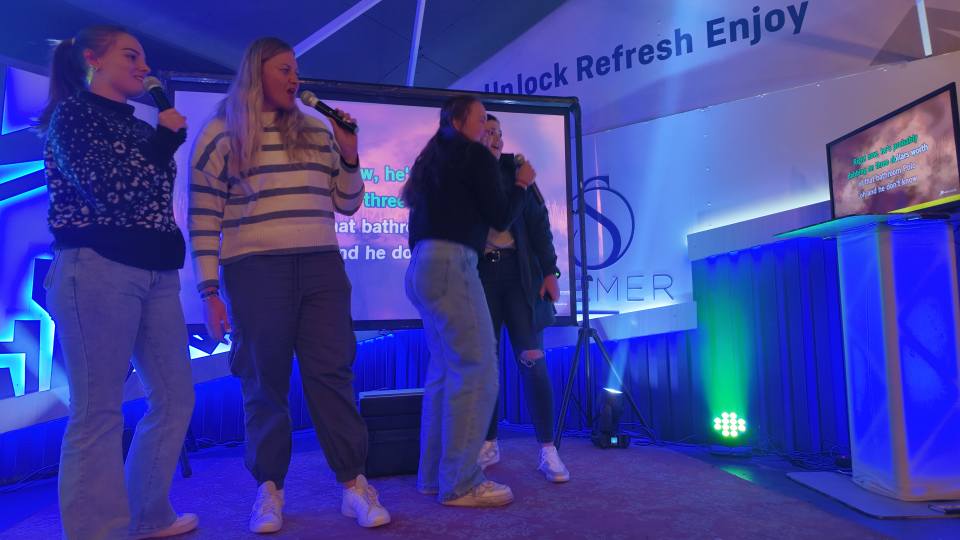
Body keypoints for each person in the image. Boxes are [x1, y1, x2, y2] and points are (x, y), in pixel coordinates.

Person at [188, 37, 390, 533]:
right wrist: (209, 292)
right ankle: (269, 490)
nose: (294, 78)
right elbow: (203, 216)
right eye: (283, 69)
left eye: (295, 70)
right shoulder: (220, 131)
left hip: (321, 264)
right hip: (254, 268)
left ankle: (354, 485)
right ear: (256, 71)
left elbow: (348, 204)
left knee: (333, 374)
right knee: (263, 381)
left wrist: (350, 154)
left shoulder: (318, 130)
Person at [39, 25, 198, 540]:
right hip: (97, 268)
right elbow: (109, 192)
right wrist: (164, 141)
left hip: (157, 273)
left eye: (143, 59)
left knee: (175, 398)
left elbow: (150, 200)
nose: (143, 67)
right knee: (98, 412)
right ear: (93, 59)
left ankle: (148, 515)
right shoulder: (72, 115)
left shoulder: (137, 125)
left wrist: (160, 141)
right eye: (131, 56)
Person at [402, 95, 534, 507]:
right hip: (452, 264)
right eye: (481, 120)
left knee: (445, 373)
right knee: (479, 370)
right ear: (460, 120)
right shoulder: (473, 155)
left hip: (421, 267)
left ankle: (433, 477)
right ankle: (461, 482)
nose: (487, 130)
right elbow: (500, 216)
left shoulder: (432, 158)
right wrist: (521, 184)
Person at [476, 114, 570, 483]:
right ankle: (487, 442)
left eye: (499, 133)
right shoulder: (465, 174)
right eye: (488, 132)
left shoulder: (517, 170)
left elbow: (539, 224)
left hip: (520, 276)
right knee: (484, 364)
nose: (496, 139)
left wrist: (549, 272)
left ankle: (548, 450)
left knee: (533, 359)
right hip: (480, 275)